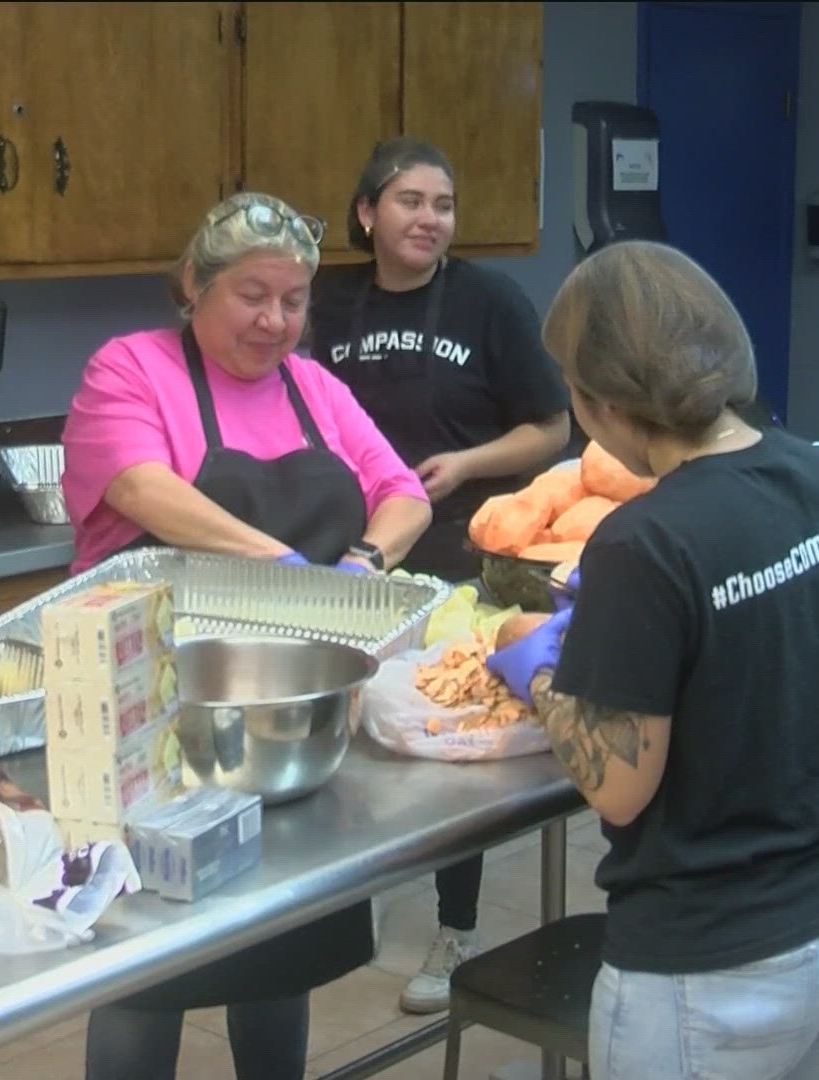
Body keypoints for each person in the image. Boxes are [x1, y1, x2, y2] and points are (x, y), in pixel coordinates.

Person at [485, 240, 819, 1079]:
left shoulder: (644, 539)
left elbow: (621, 787)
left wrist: (541, 667)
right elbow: (779, 641)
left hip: (715, 969)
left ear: (604, 399)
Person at [58, 191, 432, 1080]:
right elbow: (146, 490)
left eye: (294, 300)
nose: (275, 321)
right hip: (152, 718)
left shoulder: (315, 387)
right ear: (194, 285)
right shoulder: (129, 369)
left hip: (282, 716)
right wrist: (284, 563)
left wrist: (366, 562)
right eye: (251, 296)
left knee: (278, 940)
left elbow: (404, 493)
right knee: (145, 960)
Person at [307, 137, 571, 1014]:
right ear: (366, 214)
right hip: (350, 558)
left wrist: (467, 464)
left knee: (449, 738)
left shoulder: (490, 301)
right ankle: (343, 909)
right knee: (346, 734)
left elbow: (550, 429)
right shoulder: (327, 304)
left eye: (444, 204)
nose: (430, 219)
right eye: (412, 200)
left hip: (461, 555)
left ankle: (456, 925)